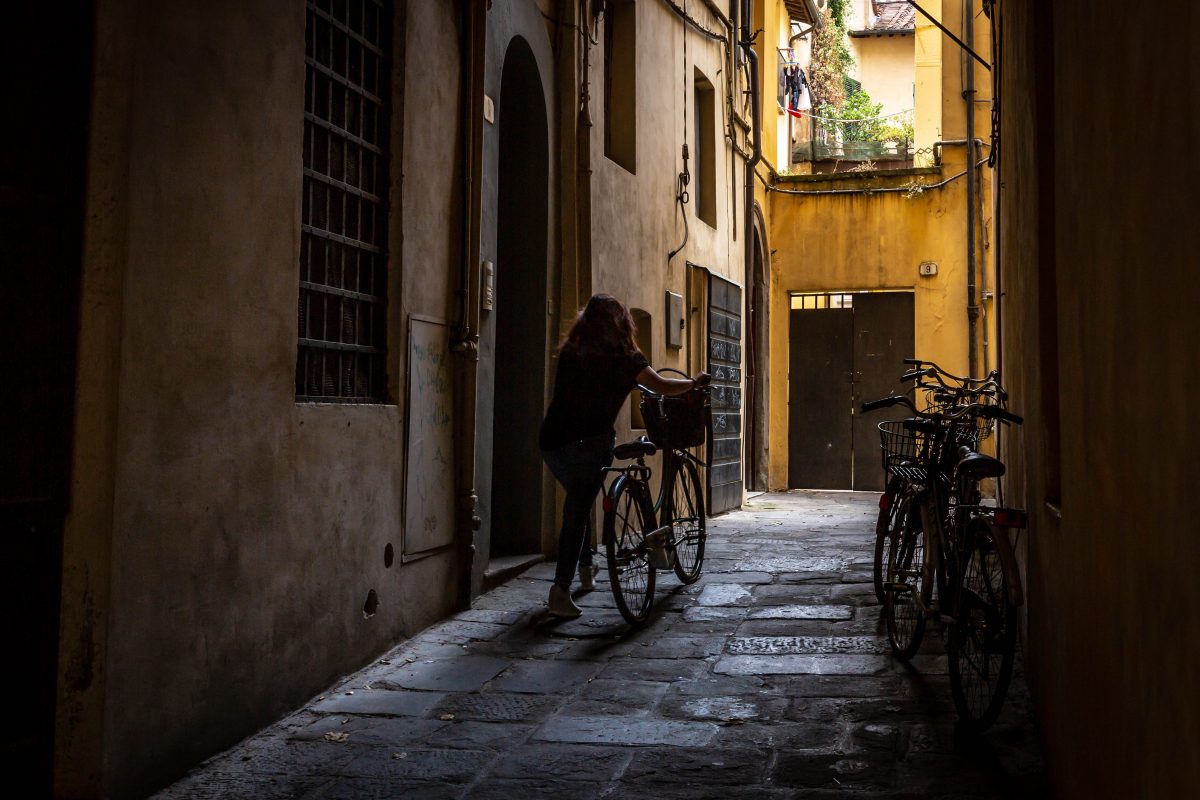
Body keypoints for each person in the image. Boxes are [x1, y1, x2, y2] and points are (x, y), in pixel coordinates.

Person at [538, 294, 710, 619]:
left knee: (579, 503)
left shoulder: (572, 350)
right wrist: (692, 384)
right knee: (577, 511)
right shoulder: (625, 357)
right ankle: (560, 591)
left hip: (553, 443)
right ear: (622, 322)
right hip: (591, 445)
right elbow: (660, 386)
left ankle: (586, 569)